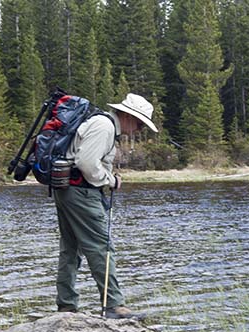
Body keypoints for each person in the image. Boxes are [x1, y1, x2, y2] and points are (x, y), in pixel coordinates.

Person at [53, 93, 158, 319]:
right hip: (81, 193)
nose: (139, 129)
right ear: (127, 115)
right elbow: (87, 163)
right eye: (140, 123)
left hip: (69, 190)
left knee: (70, 249)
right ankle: (113, 305)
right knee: (101, 247)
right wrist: (111, 180)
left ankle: (66, 306)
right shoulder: (104, 126)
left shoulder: (101, 123)